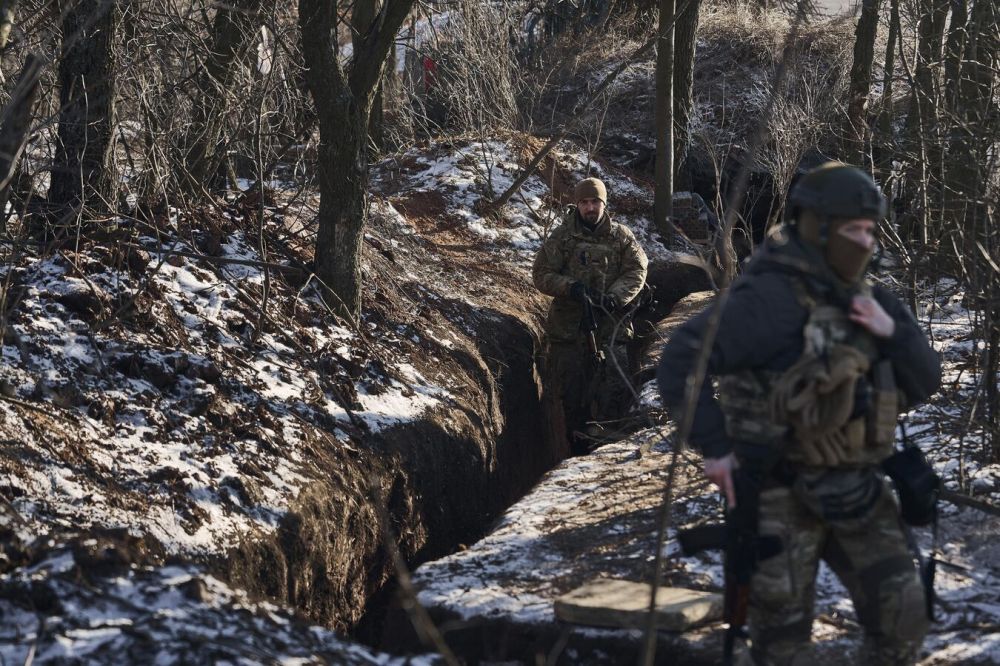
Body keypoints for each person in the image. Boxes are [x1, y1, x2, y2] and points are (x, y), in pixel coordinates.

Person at [657, 162, 941, 665]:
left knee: (904, 615)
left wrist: (891, 333)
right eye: (855, 231)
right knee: (780, 643)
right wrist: (716, 449)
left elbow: (925, 383)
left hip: (856, 486)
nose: (867, 243)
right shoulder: (765, 300)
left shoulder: (873, 300)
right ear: (818, 227)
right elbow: (681, 360)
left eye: (871, 231)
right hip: (775, 493)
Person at [533, 176, 649, 455]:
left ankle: (610, 449)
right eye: (584, 202)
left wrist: (614, 297)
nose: (589, 207)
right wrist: (571, 288)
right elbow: (541, 274)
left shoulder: (622, 237)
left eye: (595, 201)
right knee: (573, 397)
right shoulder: (562, 237)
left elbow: (637, 270)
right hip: (569, 333)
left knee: (615, 392)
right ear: (577, 204)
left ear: (604, 204)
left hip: (611, 329)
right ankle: (577, 450)